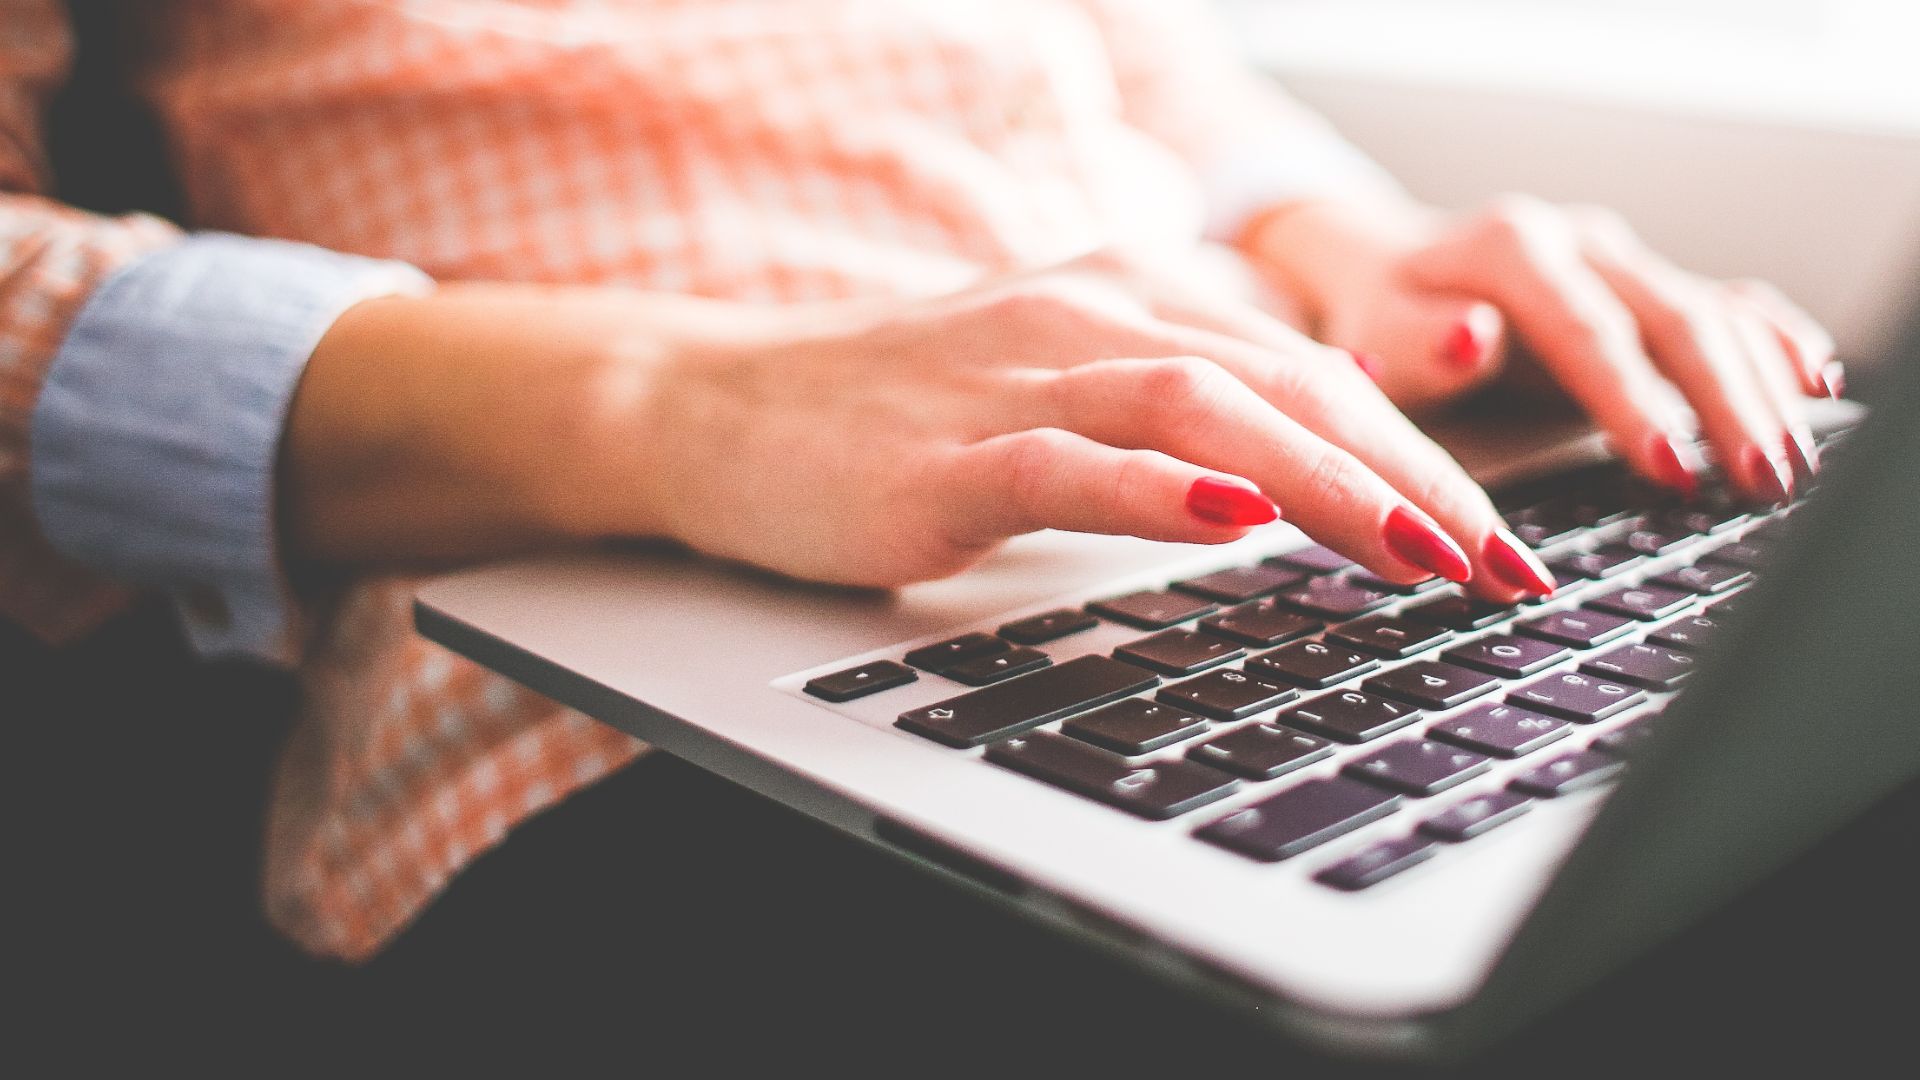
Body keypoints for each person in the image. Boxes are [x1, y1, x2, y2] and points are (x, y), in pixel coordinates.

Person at [0, 0, 1837, 966]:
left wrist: (1351, 239)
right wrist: (679, 399)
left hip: (1284, 508)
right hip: (635, 685)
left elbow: (1130, 71)